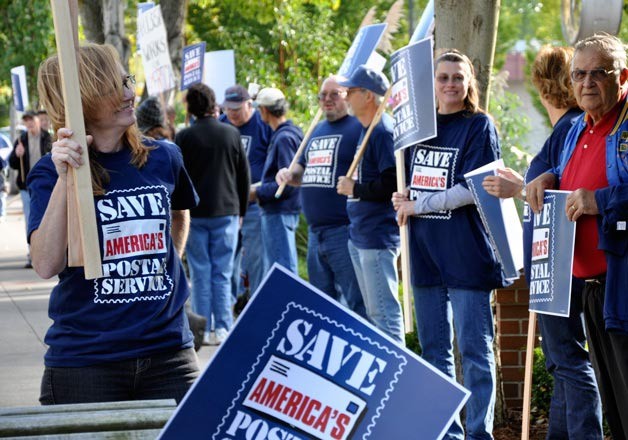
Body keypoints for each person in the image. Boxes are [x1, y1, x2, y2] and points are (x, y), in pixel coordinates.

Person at [29, 43, 199, 404]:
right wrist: (65, 178)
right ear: (81, 100)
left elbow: (180, 211)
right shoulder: (49, 173)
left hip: (169, 356)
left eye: (127, 81)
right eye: (113, 86)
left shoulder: (164, 157)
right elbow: (45, 263)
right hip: (86, 364)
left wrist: (167, 262)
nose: (128, 93)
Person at [483, 45, 603, 439]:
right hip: (552, 261)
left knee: (569, 360)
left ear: (541, 86)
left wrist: (518, 187)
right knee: (559, 363)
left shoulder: (572, 128)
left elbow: (564, 195)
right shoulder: (568, 131)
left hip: (563, 262)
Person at [392, 50, 504, 439]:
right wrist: (402, 201)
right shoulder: (416, 131)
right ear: (432, 83)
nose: (451, 84)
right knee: (433, 351)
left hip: (466, 252)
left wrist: (418, 204)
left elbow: (474, 189)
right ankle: (448, 433)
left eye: (458, 77)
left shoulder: (478, 126)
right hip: (424, 254)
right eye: (443, 77)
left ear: (470, 82)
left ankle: (478, 433)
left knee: (474, 352)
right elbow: (408, 186)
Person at [527, 33, 628, 440]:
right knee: (614, 399)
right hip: (587, 285)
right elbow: (556, 170)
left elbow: (599, 194)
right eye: (579, 74)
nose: (586, 83)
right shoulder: (575, 129)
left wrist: (600, 200)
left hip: (620, 281)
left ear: (622, 76)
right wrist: (550, 175)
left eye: (597, 74)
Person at [275, 76, 366, 318]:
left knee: (355, 300)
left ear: (348, 95)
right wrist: (287, 173)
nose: (327, 100)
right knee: (321, 305)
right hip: (316, 232)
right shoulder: (316, 130)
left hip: (344, 230)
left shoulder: (358, 129)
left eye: (334, 94)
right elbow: (300, 173)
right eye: (322, 95)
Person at [176, 83, 250, 345]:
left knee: (200, 271)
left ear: (191, 107)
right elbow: (244, 176)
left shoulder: (184, 137)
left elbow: (178, 178)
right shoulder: (231, 134)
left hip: (195, 214)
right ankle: (223, 327)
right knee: (223, 271)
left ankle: (203, 328)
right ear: (213, 104)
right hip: (227, 211)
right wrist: (241, 209)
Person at [336, 65, 404, 343]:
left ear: (368, 96)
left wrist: (356, 188)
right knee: (373, 317)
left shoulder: (382, 131)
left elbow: (393, 181)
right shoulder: (367, 130)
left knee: (384, 316)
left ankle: (399, 379)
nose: (345, 97)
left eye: (350, 92)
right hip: (361, 234)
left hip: (377, 236)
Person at [221, 84, 272, 297]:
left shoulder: (262, 124)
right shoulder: (222, 125)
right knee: (229, 260)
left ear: (249, 104)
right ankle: (230, 307)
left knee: (256, 259)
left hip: (253, 206)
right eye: (228, 108)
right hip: (228, 206)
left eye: (237, 108)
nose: (232, 113)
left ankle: (258, 303)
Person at [250, 87, 303, 275]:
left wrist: (256, 192)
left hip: (279, 212)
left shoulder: (284, 138)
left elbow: (287, 184)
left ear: (264, 110)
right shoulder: (288, 134)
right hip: (280, 212)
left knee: (282, 271)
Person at [9, 110, 52, 268]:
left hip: (47, 186)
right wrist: (16, 154)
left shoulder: (47, 137)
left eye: (31, 120)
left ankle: (51, 253)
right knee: (31, 220)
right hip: (27, 187)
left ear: (38, 121)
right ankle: (32, 254)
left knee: (49, 218)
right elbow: (13, 163)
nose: (29, 123)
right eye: (26, 121)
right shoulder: (21, 140)